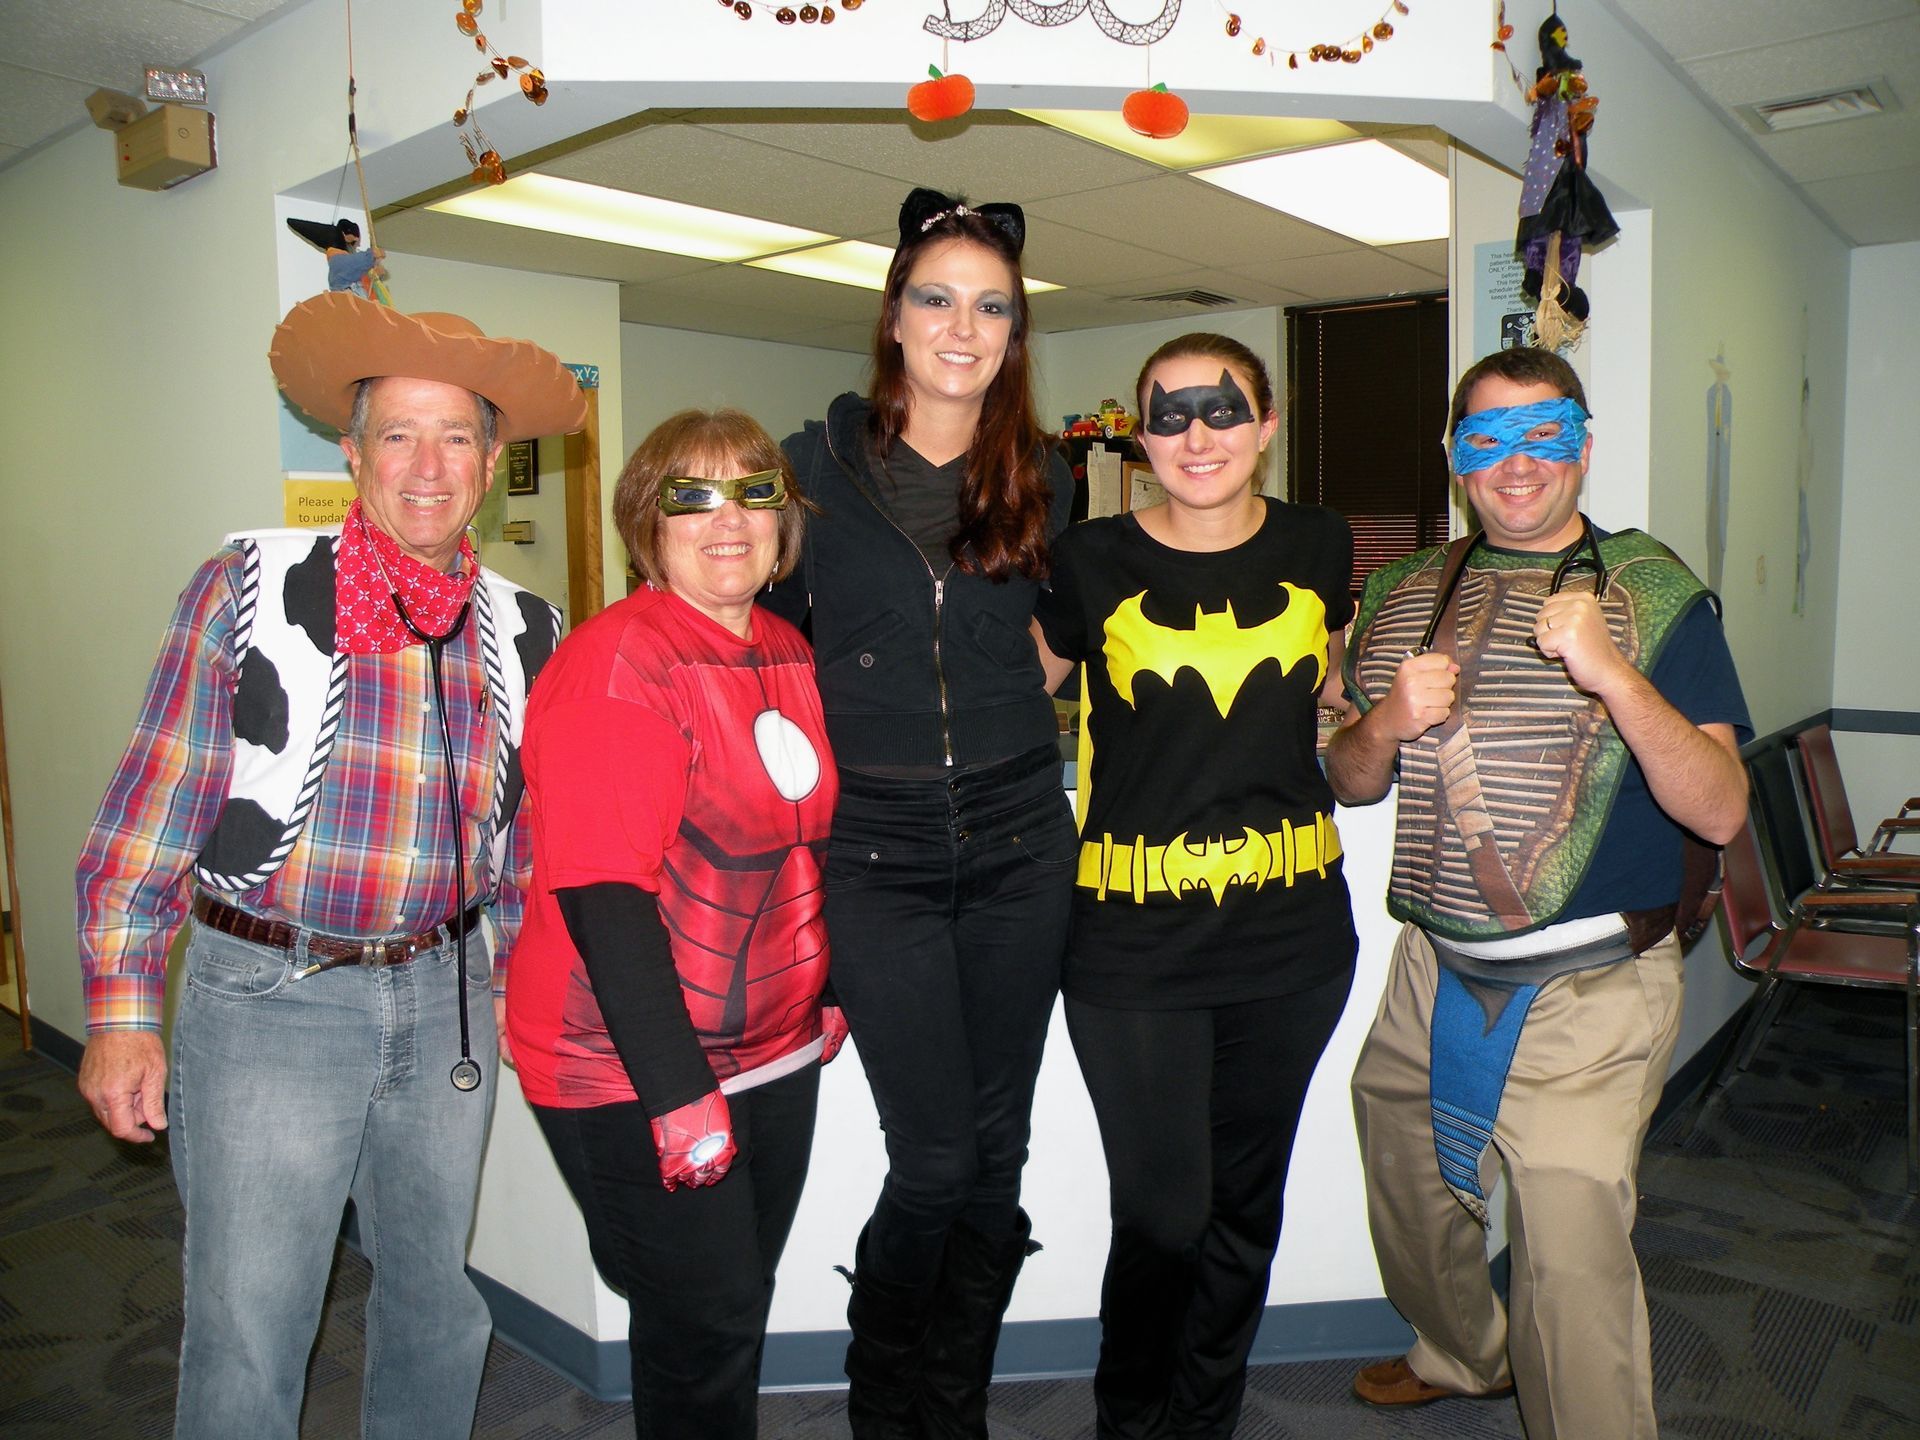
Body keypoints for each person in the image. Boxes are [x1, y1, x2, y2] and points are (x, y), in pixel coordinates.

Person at [74, 291, 585, 1439]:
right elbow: (145, 819)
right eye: (398, 433)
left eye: (457, 436)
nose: (427, 465)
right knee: (254, 1321)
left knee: (437, 1303)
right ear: (351, 453)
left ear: (492, 463)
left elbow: (521, 847)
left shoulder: (529, 627)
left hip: (445, 996)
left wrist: (507, 982)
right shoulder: (248, 591)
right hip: (270, 1001)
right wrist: (120, 1013)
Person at [1330, 346, 1750, 1439]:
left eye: (1544, 433)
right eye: (1487, 438)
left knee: (1569, 1260)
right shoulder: (1399, 592)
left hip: (1593, 986)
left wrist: (1616, 674)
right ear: (1456, 458)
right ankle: (1465, 1355)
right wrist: (1381, 722)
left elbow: (1720, 811)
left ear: (1584, 445)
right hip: (1432, 969)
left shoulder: (1658, 597)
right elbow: (1348, 775)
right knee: (1406, 1182)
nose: (1516, 463)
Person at [768, 186, 1078, 1438]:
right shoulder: (806, 471)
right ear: (894, 318)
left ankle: (954, 1404)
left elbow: (1045, 649)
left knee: (998, 1153)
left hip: (1019, 844)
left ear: (1014, 334)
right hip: (876, 856)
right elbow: (763, 665)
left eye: (992, 306)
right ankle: (881, 1395)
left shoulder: (1047, 473)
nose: (964, 326)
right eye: (938, 299)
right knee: (937, 1157)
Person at [1029, 333, 1359, 1439]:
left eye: (1224, 411)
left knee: (1244, 1207)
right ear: (1139, 435)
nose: (1198, 436)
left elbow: (1339, 687)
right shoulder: (1091, 560)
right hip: (1132, 941)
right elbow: (1005, 698)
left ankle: (1204, 1416)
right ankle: (1132, 1414)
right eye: (1169, 415)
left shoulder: (1320, 544)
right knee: (1165, 1215)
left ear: (1266, 427)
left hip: (1292, 935)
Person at [505, 410, 842, 1440]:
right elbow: (604, 892)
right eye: (691, 497)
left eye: (753, 492)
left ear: (786, 522)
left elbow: (800, 842)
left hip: (771, 1048)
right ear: (646, 525)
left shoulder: (782, 646)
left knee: (724, 1311)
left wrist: (820, 995)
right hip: (628, 1060)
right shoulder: (620, 664)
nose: (727, 519)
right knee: (707, 1319)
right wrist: (679, 1092)